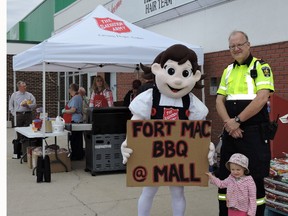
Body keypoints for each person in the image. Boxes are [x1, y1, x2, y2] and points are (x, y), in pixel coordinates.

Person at [121, 44, 213, 216]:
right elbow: (136, 124)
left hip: (179, 157)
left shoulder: (191, 102)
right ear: (157, 69)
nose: (177, 80)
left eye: (185, 74)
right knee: (148, 192)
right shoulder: (150, 97)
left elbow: (199, 131)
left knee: (178, 193)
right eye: (171, 71)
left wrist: (207, 147)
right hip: (152, 155)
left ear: (195, 76)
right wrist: (127, 143)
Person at [215, 30, 275, 216]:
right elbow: (219, 100)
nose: (236, 48)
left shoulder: (261, 67)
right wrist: (228, 123)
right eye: (232, 46)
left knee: (254, 180)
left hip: (253, 134)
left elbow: (262, 97)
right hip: (231, 133)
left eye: (240, 44)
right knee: (225, 177)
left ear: (249, 45)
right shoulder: (228, 70)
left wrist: (237, 121)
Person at [9, 81, 37, 159]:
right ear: (19, 87)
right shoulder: (14, 95)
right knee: (19, 133)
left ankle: (26, 149)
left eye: (25, 86)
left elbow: (34, 104)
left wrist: (28, 105)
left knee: (28, 131)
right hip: (19, 115)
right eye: (23, 86)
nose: (25, 87)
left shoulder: (29, 95)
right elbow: (10, 105)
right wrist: (14, 114)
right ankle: (19, 151)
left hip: (28, 114)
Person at [62, 83, 84, 160]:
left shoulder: (75, 98)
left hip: (75, 121)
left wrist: (64, 111)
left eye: (69, 89)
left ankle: (76, 155)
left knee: (75, 139)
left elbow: (73, 110)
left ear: (71, 89)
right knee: (77, 139)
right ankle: (78, 154)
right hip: (77, 120)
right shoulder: (78, 97)